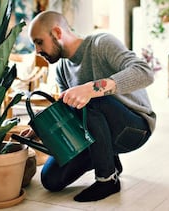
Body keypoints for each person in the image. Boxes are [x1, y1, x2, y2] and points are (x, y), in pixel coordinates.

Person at [24, 11, 156, 202]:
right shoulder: (61, 68)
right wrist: (41, 130)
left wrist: (91, 89)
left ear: (57, 33)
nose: (37, 50)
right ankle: (110, 161)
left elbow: (145, 73)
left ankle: (107, 179)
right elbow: (67, 109)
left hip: (134, 128)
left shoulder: (102, 43)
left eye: (39, 42)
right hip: (98, 130)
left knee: (90, 99)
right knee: (51, 179)